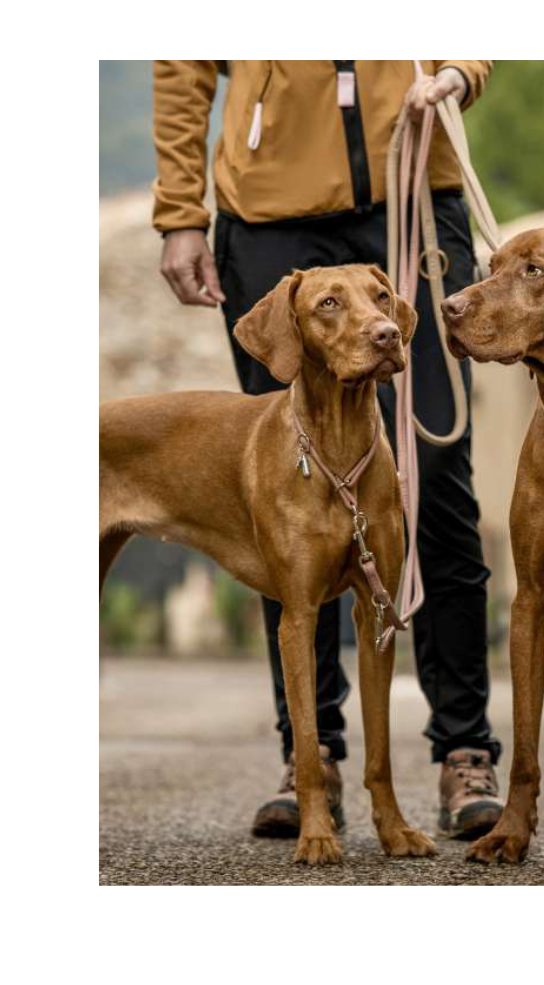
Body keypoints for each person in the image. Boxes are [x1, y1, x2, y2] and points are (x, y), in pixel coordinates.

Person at [151, 60, 503, 841]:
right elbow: (181, 61)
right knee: (286, 494)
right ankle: (313, 759)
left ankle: (465, 750)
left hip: (412, 192)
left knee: (437, 474)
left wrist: (458, 68)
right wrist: (181, 210)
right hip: (270, 211)